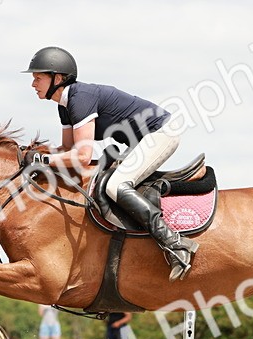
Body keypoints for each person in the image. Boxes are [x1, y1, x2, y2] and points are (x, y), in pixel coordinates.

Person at [21, 46, 199, 280]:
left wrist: (42, 159)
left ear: (58, 78)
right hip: (139, 141)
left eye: (38, 78)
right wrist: (32, 155)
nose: (33, 84)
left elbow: (82, 157)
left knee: (115, 186)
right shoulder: (64, 106)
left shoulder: (80, 99)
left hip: (160, 133)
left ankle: (176, 244)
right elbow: (66, 150)